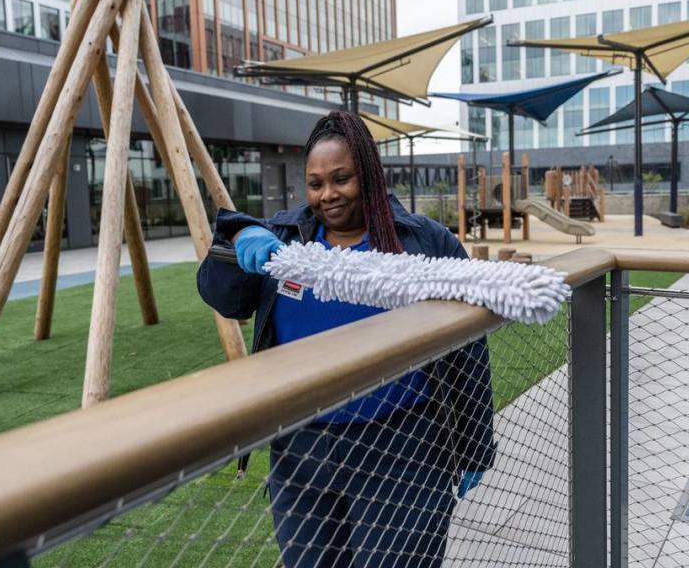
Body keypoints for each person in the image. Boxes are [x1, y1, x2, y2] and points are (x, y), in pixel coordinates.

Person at [197, 110, 496, 567]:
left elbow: (469, 352)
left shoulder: (424, 242)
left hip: (401, 450)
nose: (328, 195)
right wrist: (238, 234)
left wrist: (475, 445)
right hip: (302, 449)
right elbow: (224, 299)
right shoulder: (285, 240)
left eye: (341, 179)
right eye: (315, 183)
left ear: (370, 177)